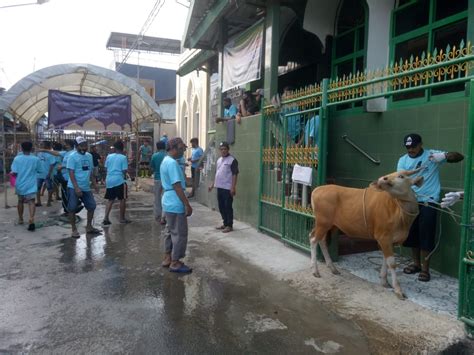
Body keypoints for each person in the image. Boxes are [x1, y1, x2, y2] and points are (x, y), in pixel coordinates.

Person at [397, 133, 464, 282]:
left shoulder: (432, 155)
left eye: (413, 146)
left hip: (429, 201)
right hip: (411, 202)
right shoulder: (403, 160)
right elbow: (400, 181)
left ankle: (425, 269)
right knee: (412, 234)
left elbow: (459, 157)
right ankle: (416, 264)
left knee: (426, 235)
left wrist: (445, 156)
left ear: (421, 144)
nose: (411, 150)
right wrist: (412, 182)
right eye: (408, 147)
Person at [160, 137, 193, 273]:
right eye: (181, 149)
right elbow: (177, 186)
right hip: (175, 201)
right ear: (174, 148)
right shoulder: (172, 163)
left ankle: (168, 257)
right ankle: (175, 262)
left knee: (170, 231)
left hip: (168, 201)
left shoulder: (165, 161)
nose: (183, 151)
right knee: (179, 233)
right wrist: (187, 204)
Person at [67, 136, 101, 238]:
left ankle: (89, 227)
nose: (84, 148)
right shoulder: (72, 157)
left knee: (91, 206)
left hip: (86, 187)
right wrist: (76, 188)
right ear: (76, 146)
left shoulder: (89, 156)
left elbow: (90, 171)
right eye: (81, 146)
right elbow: (71, 173)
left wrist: (94, 184)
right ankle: (73, 229)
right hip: (74, 187)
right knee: (72, 208)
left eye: (85, 145)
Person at [208, 141, 239, 233]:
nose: (223, 151)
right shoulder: (219, 160)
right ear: (219, 150)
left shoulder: (232, 160)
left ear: (228, 149)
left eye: (225, 149)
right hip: (219, 187)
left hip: (227, 187)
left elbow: (235, 174)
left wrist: (233, 187)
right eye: (221, 149)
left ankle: (229, 225)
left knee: (227, 206)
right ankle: (225, 223)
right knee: (221, 206)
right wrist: (212, 184)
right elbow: (217, 173)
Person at [11, 141, 41, 231]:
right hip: (31, 184)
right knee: (31, 202)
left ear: (21, 148)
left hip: (20, 183)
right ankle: (31, 218)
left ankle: (20, 219)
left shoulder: (17, 159)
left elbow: (14, 172)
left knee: (20, 201)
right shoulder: (36, 159)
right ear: (31, 149)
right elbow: (40, 170)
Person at [102, 140, 130, 225]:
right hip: (119, 180)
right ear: (123, 148)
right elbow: (124, 170)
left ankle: (106, 218)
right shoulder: (123, 157)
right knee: (122, 199)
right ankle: (121, 218)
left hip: (109, 179)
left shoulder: (109, 156)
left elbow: (105, 168)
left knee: (110, 199)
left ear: (115, 148)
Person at [150, 141, 167, 224]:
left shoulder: (154, 156)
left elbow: (152, 168)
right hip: (166, 179)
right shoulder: (167, 155)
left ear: (157, 147)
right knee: (165, 197)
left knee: (157, 198)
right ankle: (164, 217)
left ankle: (158, 216)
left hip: (157, 178)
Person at [36, 141, 56, 207]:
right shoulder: (39, 153)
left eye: (42, 144)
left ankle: (49, 201)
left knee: (49, 188)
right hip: (39, 174)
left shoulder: (50, 154)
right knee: (38, 188)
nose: (40, 145)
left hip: (47, 174)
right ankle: (38, 202)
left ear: (46, 146)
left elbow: (52, 164)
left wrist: (49, 173)